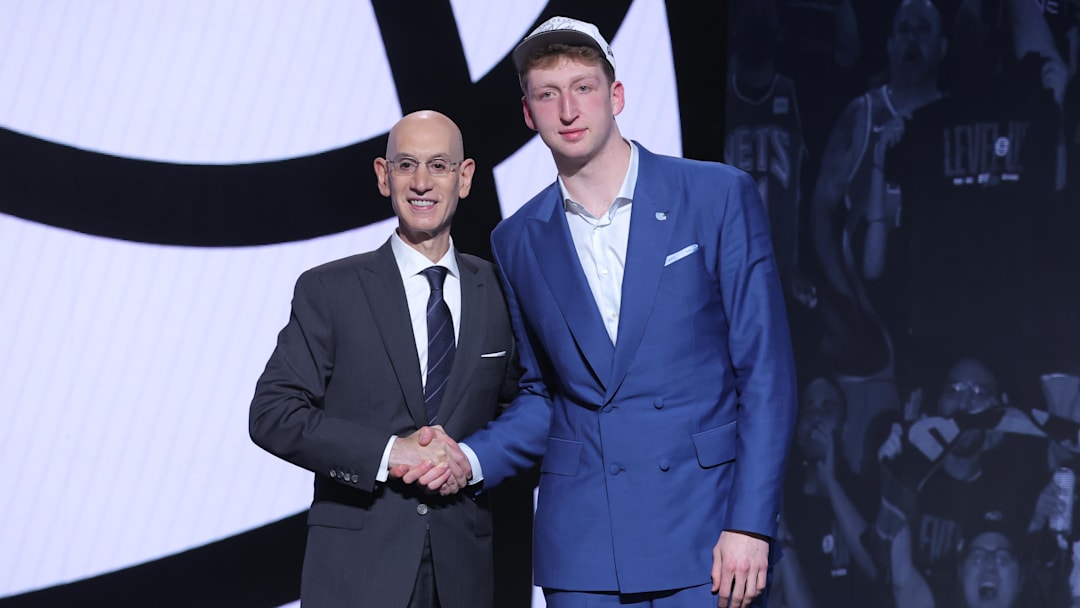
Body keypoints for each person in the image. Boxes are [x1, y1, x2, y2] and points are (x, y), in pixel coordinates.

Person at [408, 16, 798, 608]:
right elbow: (543, 394)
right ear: (528, 114)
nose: (568, 109)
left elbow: (765, 373)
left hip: (707, 531)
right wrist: (469, 456)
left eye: (584, 87)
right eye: (547, 94)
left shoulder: (715, 195)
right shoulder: (517, 239)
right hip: (586, 545)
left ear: (615, 96)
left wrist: (749, 524)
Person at [248, 110, 519, 608]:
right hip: (356, 570)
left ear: (465, 178)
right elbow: (272, 415)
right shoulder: (329, 290)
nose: (421, 182)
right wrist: (390, 453)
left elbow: (522, 408)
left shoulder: (500, 292)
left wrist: (472, 461)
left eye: (439, 165)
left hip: (467, 573)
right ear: (382, 175)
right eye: (406, 164)